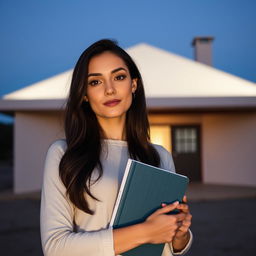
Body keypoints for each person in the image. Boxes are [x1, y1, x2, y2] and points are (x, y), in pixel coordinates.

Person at [40, 39, 193, 256]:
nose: (110, 90)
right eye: (95, 82)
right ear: (84, 94)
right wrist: (145, 232)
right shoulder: (63, 154)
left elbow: (167, 248)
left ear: (133, 84)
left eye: (119, 77)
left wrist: (180, 235)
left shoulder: (159, 156)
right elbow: (55, 248)